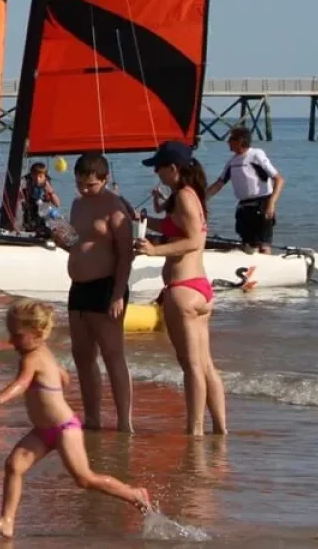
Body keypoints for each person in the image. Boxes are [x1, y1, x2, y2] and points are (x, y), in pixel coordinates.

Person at [0, 300, 149, 537]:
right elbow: (63, 377)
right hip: (44, 431)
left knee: (85, 479)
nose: (11, 341)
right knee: (14, 466)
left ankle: (134, 494)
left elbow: (21, 384)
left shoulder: (32, 358)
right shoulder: (43, 353)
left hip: (65, 429)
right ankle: (7, 521)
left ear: (36, 334)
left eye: (16, 335)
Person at [134, 141, 228, 435]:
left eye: (159, 168)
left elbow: (193, 242)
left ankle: (195, 431)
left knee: (192, 367)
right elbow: (178, 229)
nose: (157, 174)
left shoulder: (184, 197)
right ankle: (221, 430)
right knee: (205, 365)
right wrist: (152, 224)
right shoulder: (189, 196)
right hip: (200, 289)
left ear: (172, 168)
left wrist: (153, 252)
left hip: (183, 289)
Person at [58, 153, 135, 432]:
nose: (83, 189)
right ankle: (93, 418)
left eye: (90, 185)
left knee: (113, 354)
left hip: (106, 286)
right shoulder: (78, 204)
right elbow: (77, 243)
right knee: (81, 354)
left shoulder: (115, 209)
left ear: (104, 180)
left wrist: (117, 294)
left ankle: (125, 422)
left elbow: (126, 255)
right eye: (79, 183)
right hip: (78, 287)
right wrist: (61, 237)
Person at [206, 126, 284, 254]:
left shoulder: (256, 154)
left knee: (263, 246)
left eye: (231, 139)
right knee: (248, 247)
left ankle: (266, 268)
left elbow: (279, 179)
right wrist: (201, 198)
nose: (228, 142)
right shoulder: (232, 161)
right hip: (244, 208)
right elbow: (219, 183)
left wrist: (271, 204)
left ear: (240, 140)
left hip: (262, 204)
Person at [21, 162, 62, 234]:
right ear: (31, 175)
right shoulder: (26, 185)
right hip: (30, 218)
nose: (37, 179)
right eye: (35, 176)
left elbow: (57, 204)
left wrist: (51, 191)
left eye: (40, 176)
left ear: (44, 177)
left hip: (44, 219)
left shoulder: (47, 187)